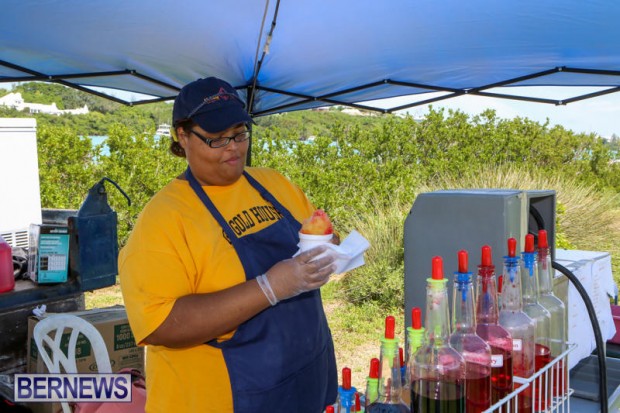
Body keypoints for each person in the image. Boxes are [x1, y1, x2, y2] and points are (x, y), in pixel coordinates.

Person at [119, 77, 338, 413]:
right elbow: (160, 325)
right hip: (223, 400)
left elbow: (320, 236)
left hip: (306, 381)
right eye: (217, 139)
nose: (233, 148)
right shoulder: (163, 218)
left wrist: (329, 248)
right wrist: (270, 287)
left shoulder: (273, 183)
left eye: (239, 134)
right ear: (182, 136)